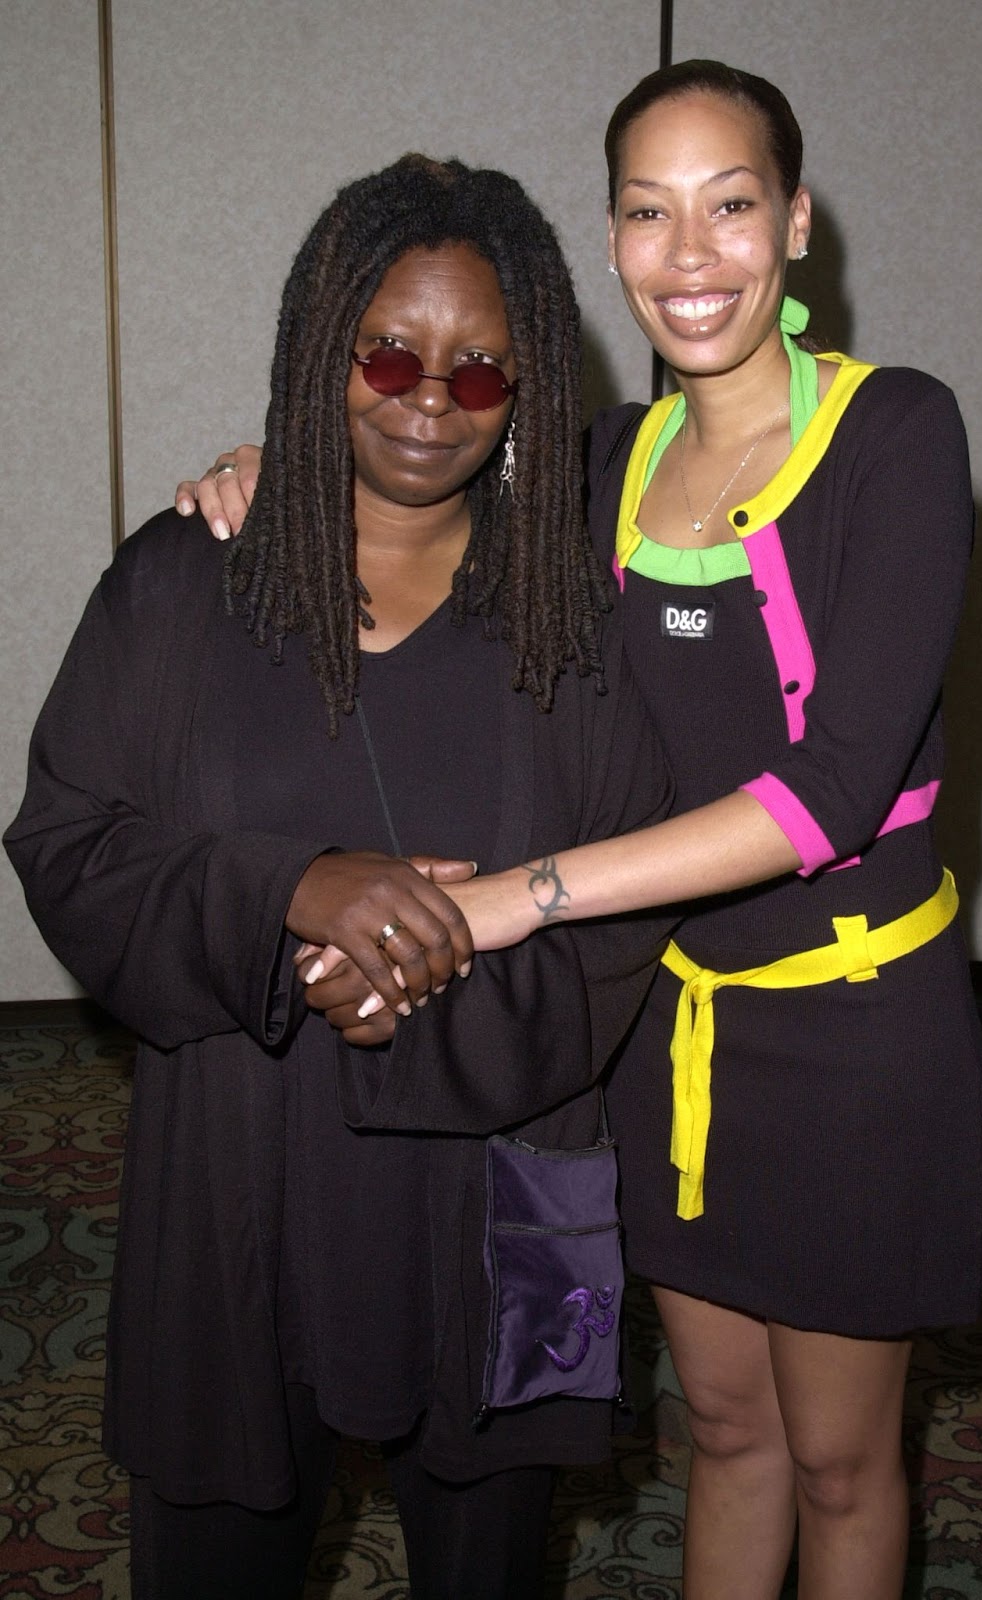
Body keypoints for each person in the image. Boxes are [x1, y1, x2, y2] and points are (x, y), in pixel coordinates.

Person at [182, 63, 982, 1600]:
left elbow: (828, 796)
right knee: (730, 1436)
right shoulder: (603, 461)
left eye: (732, 205)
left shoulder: (897, 435)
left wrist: (515, 900)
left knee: (839, 1461)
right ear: (612, 242)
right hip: (665, 1035)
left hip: (854, 1034)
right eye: (648, 212)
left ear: (799, 223)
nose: (692, 256)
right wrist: (264, 469)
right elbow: (411, 474)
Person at [5, 155, 677, 1600]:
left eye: (481, 370)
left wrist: (424, 989)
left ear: (529, 390)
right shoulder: (187, 587)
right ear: (325, 350)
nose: (428, 395)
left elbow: (626, 918)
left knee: (492, 1563)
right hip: (243, 1165)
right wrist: (295, 889)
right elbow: (68, 838)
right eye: (388, 350)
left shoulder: (568, 621)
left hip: (505, 1189)